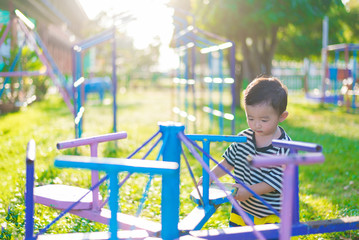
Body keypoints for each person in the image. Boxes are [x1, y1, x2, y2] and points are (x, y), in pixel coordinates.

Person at [201, 76, 291, 227]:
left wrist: (249, 190)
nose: (256, 125)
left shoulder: (284, 147)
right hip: (242, 210)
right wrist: (210, 176)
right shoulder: (243, 138)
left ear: (282, 116)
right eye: (251, 118)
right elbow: (228, 162)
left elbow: (274, 182)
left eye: (264, 120)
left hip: (269, 214)